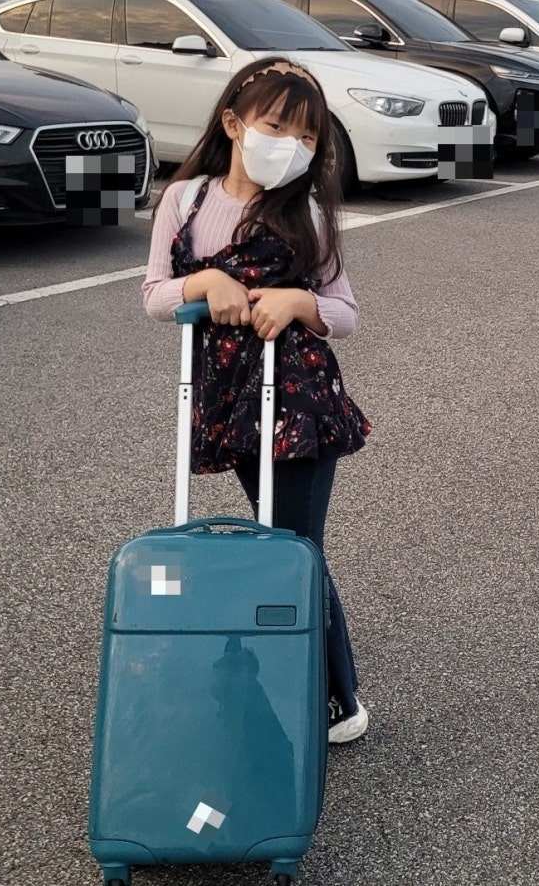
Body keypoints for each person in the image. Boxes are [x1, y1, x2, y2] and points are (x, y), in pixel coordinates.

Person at [142, 56, 372, 743]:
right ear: (233, 123)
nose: (291, 146)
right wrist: (202, 283)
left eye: (308, 137)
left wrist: (299, 300)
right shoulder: (186, 200)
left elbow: (344, 310)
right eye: (276, 127)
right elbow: (154, 294)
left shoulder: (308, 212)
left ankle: (337, 695)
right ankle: (259, 663)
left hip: (298, 398)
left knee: (294, 546)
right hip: (228, 395)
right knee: (272, 538)